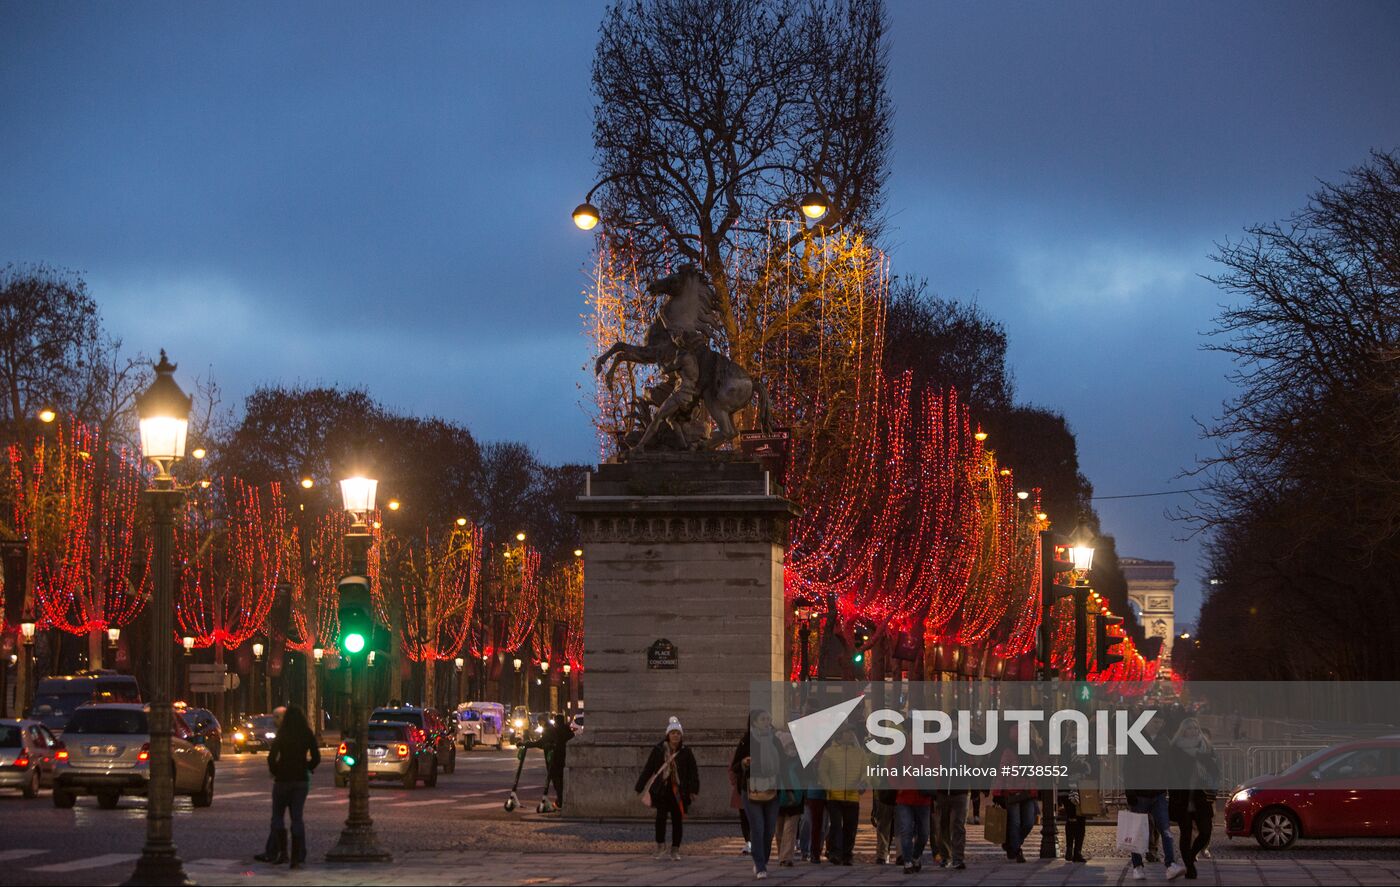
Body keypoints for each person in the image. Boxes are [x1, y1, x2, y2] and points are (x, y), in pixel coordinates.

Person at [254, 704, 320, 868]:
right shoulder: (306, 733)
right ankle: (296, 858)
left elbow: (271, 757)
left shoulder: (283, 734)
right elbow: (316, 757)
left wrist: (276, 771)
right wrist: (308, 767)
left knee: (277, 817)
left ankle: (282, 853)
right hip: (300, 780)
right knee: (297, 818)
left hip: (283, 780)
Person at [1124, 711, 1185, 881]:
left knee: (1165, 830)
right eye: (1154, 721)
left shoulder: (1164, 741)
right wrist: (1130, 791)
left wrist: (1175, 789)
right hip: (1140, 793)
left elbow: (1170, 767)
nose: (1157, 724)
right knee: (1137, 832)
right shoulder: (1136, 740)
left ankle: (1170, 864)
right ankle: (1137, 866)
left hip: (1158, 793)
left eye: (1160, 721)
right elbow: (1128, 767)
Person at [636, 716, 699, 861]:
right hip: (662, 790)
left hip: (678, 792)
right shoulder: (658, 750)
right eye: (673, 733)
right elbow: (649, 768)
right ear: (667, 735)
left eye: (678, 733)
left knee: (677, 820)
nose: (675, 735)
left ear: (681, 735)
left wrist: (693, 790)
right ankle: (660, 845)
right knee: (660, 819)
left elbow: (693, 772)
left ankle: (675, 849)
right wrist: (640, 785)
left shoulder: (686, 752)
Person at [733, 710, 785, 879]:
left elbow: (784, 763)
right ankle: (760, 865)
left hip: (772, 789)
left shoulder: (775, 740)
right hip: (751, 790)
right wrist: (744, 762)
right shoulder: (747, 740)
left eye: (768, 718)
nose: (767, 721)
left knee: (769, 830)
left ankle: (763, 859)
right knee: (758, 827)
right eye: (763, 719)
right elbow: (735, 765)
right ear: (754, 722)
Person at [1167, 717, 1220, 880]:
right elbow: (1171, 772)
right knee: (1186, 832)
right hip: (1182, 796)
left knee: (1205, 832)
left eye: (1196, 728)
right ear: (1183, 730)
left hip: (1202, 796)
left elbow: (1215, 770)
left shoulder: (1206, 747)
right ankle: (1190, 867)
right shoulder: (1175, 749)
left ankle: (1189, 856)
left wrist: (1213, 788)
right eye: (1190, 728)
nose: (1194, 731)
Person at [818, 721, 866, 866]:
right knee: (836, 826)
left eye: (852, 732)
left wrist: (863, 782)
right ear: (840, 735)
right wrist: (829, 787)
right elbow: (822, 772)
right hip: (834, 796)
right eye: (848, 732)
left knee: (851, 827)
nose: (851, 735)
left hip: (852, 795)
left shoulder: (859, 753)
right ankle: (835, 853)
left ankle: (847, 854)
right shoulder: (829, 752)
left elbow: (865, 771)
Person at [991, 723, 1038, 863]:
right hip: (1012, 792)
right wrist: (997, 792)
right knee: (1015, 823)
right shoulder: (1009, 751)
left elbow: (1036, 771)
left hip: (1028, 792)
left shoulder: (1031, 750)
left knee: (1029, 823)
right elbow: (1002, 772)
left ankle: (1012, 843)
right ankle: (1017, 851)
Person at [774, 731, 805, 867]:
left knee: (790, 828)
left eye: (793, 744)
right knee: (779, 828)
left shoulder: (800, 759)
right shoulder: (776, 759)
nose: (791, 747)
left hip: (795, 798)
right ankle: (783, 854)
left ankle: (786, 856)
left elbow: (807, 776)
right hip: (778, 796)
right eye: (788, 744)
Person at [1060, 753, 1092, 863]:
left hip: (1073, 788)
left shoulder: (1065, 746)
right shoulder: (1083, 747)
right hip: (1077, 787)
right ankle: (1076, 851)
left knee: (1073, 819)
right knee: (1078, 819)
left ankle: (1072, 849)